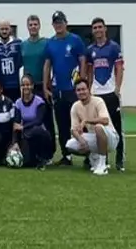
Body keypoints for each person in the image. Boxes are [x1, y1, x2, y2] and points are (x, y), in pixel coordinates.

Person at [42, 10, 87, 166]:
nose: (58, 25)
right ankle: (66, 156)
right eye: (56, 23)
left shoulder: (75, 40)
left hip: (73, 90)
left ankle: (88, 155)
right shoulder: (50, 42)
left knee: (81, 122)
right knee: (62, 125)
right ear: (53, 25)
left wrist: (82, 83)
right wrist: (45, 87)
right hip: (58, 90)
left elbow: (82, 60)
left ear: (66, 23)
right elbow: (47, 65)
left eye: (60, 22)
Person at [86, 17, 125, 171]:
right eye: (95, 28)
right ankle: (104, 159)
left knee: (116, 126)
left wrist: (117, 88)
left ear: (105, 28)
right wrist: (89, 90)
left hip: (110, 93)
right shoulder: (90, 50)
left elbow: (119, 68)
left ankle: (120, 160)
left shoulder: (114, 47)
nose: (97, 30)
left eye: (100, 27)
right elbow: (90, 72)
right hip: (97, 94)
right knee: (99, 127)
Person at [65, 79, 119, 176]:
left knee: (98, 127)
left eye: (83, 89)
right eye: (78, 90)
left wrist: (86, 120)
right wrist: (82, 141)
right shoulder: (75, 106)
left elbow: (105, 120)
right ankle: (94, 158)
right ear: (75, 92)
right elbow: (73, 130)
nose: (81, 92)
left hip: (110, 138)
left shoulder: (98, 101)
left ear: (88, 89)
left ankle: (103, 164)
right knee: (70, 144)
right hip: (95, 137)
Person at [21, 15, 54, 140]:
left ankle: (50, 149)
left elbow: (50, 63)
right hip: (28, 88)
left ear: (39, 26)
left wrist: (48, 85)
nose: (33, 27)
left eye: (35, 24)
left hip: (43, 86)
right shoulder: (23, 45)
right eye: (31, 25)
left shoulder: (46, 43)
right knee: (30, 119)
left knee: (47, 120)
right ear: (27, 27)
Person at [13, 74, 53, 170]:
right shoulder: (18, 103)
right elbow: (16, 124)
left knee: (37, 130)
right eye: (23, 85)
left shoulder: (39, 102)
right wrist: (15, 142)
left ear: (32, 86)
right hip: (26, 134)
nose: (25, 87)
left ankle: (43, 157)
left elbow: (38, 120)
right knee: (27, 163)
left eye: (28, 85)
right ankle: (33, 158)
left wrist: (24, 127)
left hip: (39, 133)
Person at [0, 21, 23, 102]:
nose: (4, 31)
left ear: (10, 29)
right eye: (2, 29)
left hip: (15, 85)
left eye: (6, 29)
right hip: (1, 87)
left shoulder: (18, 43)